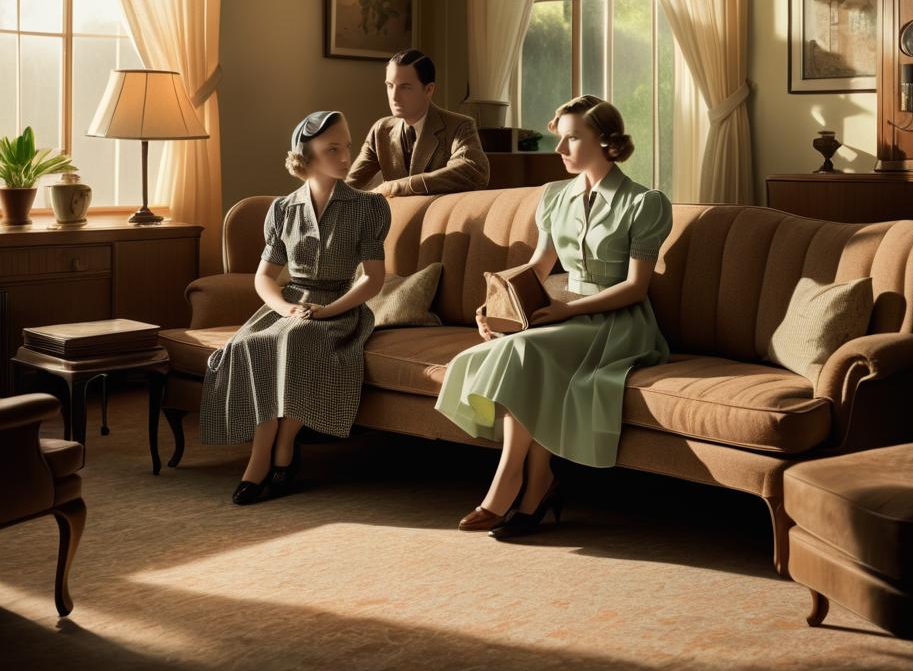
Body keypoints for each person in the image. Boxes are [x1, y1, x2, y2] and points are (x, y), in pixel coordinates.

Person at [434, 94, 672, 539]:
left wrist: (567, 310)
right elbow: (541, 265)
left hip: (617, 322)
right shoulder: (554, 196)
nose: (559, 150)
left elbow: (635, 287)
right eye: (559, 139)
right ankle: (538, 482)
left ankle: (508, 481)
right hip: (563, 312)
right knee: (520, 349)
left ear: (605, 141)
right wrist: (495, 303)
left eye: (571, 139)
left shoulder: (645, 202)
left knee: (526, 350)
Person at [199, 110, 391, 505]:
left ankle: (282, 446)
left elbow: (373, 279)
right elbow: (264, 277)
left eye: (347, 146)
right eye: (332, 148)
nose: (345, 156)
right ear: (307, 155)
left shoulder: (367, 207)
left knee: (298, 340)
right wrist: (284, 307)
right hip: (290, 305)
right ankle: (263, 455)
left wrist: (328, 311)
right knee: (249, 345)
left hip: (340, 309)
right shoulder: (284, 209)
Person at [346, 49, 489, 196]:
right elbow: (349, 186)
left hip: (438, 216)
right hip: (398, 217)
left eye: (405, 87)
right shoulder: (381, 130)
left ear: (428, 90)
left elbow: (472, 171)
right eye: (390, 86)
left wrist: (397, 187)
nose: (394, 97)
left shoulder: (459, 126)